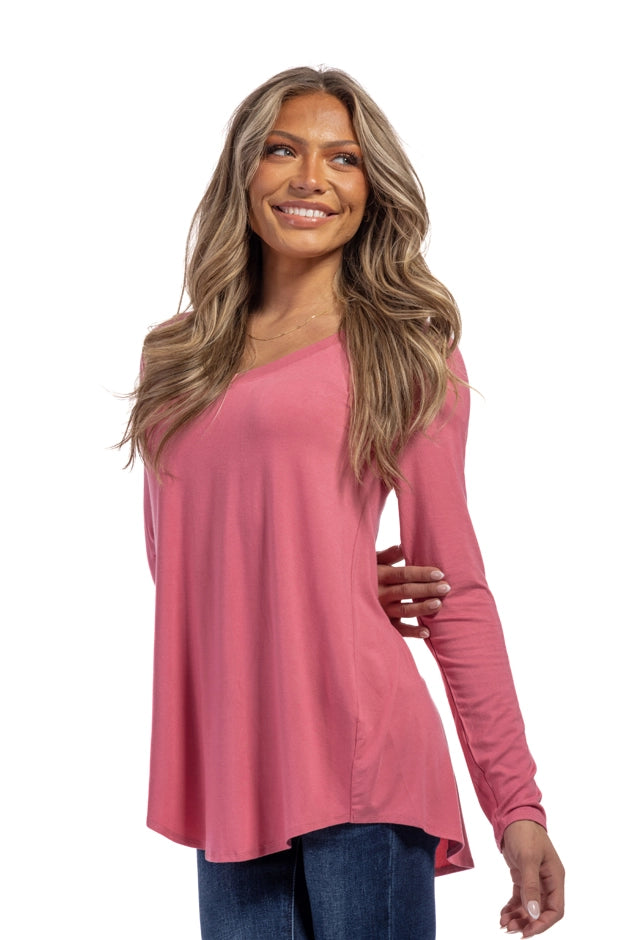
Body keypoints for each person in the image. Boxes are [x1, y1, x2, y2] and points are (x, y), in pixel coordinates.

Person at [120, 67, 564, 939]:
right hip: (232, 770)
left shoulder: (404, 354)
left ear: (371, 187)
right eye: (282, 150)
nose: (311, 178)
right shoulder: (174, 356)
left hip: (363, 764)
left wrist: (517, 805)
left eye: (343, 158)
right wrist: (326, 576)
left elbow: (454, 591)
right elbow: (176, 562)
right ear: (244, 170)